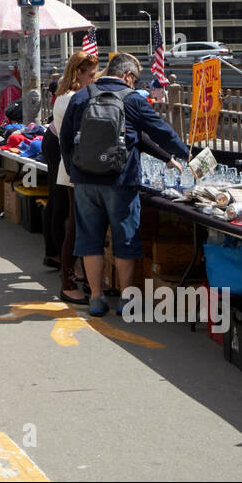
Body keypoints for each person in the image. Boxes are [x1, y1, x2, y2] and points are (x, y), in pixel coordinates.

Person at [60, 51, 190, 317]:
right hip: (121, 181)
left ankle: (96, 298)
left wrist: (77, 171)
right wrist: (185, 153)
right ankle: (127, 299)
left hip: (85, 181)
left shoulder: (81, 97)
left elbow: (65, 139)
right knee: (125, 239)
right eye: (136, 78)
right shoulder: (133, 100)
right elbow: (160, 132)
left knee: (90, 240)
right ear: (128, 75)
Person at [43, 52, 100, 304]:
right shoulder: (72, 100)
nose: (94, 79)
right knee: (76, 229)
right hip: (77, 169)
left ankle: (79, 277)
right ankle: (68, 281)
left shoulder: (63, 97)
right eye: (91, 74)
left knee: (76, 226)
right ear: (78, 72)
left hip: (72, 169)